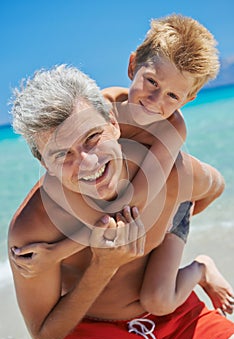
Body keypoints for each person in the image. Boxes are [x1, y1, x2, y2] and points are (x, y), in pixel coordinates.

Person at [11, 14, 234, 317]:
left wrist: (57, 252)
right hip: (129, 203)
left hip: (160, 203)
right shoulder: (101, 106)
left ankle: (201, 268)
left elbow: (132, 201)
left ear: (189, 99)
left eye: (173, 95)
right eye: (152, 81)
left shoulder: (173, 130)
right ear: (132, 66)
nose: (155, 99)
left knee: (159, 301)